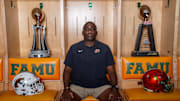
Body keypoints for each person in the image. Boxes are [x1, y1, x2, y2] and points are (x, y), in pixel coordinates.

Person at [61, 21, 121, 101]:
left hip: (101, 87)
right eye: (87, 29)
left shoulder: (105, 48)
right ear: (83, 32)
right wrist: (66, 89)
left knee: (114, 99)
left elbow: (111, 71)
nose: (89, 31)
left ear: (96, 32)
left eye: (92, 29)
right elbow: (67, 71)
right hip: (77, 87)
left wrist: (115, 88)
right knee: (66, 99)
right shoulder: (74, 48)